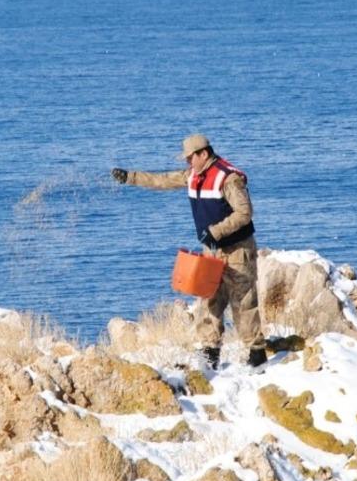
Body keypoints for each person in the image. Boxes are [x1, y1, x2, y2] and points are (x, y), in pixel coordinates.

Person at [111, 134, 267, 369]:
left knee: (243, 302)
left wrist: (215, 232)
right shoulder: (193, 175)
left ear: (203, 154)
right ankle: (210, 352)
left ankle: (257, 355)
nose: (187, 162)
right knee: (209, 299)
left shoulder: (228, 178)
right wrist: (130, 177)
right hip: (212, 249)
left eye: (189, 158)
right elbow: (163, 180)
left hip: (238, 250)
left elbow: (244, 213)